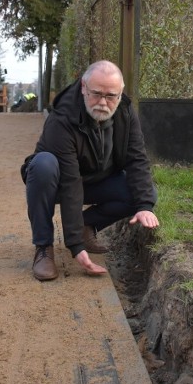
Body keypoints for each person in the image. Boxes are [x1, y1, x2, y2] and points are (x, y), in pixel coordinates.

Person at [20, 60, 159, 281]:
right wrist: (75, 246)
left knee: (145, 192)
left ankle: (88, 224)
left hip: (98, 179)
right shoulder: (62, 118)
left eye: (111, 96)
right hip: (56, 182)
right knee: (42, 165)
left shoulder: (125, 112)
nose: (103, 102)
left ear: (120, 94)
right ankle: (43, 248)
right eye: (96, 94)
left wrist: (143, 206)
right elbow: (70, 182)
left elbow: (137, 159)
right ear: (84, 87)